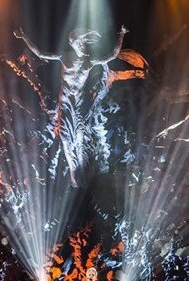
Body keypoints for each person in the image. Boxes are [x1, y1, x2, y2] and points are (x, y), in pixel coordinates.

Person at [14, 26, 129, 187]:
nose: (83, 47)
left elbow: (112, 55)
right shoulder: (65, 57)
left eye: (84, 44)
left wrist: (121, 34)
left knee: (81, 135)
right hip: (67, 101)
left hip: (80, 102)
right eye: (80, 44)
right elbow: (40, 53)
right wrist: (24, 37)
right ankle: (73, 174)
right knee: (66, 137)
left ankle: (84, 172)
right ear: (74, 44)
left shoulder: (90, 60)